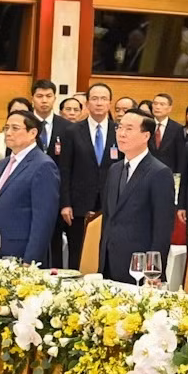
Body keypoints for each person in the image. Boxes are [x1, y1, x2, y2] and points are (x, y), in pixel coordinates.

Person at [96, 112, 176, 284]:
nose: (121, 133)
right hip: (109, 262)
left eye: (129, 129)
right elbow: (109, 218)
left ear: (146, 135)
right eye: (119, 127)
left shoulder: (159, 172)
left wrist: (154, 270)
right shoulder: (115, 169)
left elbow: (162, 227)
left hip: (138, 267)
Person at [0, 109, 61, 265]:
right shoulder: (3, 163)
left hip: (21, 252)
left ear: (32, 133)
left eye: (15, 128)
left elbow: (43, 219)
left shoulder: (43, 165)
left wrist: (31, 259)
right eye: (6, 128)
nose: (8, 133)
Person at [61, 84, 120, 263]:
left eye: (103, 99)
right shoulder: (71, 131)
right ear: (87, 103)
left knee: (106, 253)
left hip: (111, 203)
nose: (99, 103)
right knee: (77, 254)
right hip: (79, 204)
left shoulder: (120, 131)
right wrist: (65, 204)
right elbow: (64, 169)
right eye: (94, 99)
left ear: (110, 103)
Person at [148, 92, 184, 175]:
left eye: (162, 104)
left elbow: (180, 156)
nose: (157, 107)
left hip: (168, 173)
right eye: (155, 103)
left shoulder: (177, 129)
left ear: (170, 108)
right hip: (147, 173)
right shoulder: (146, 125)